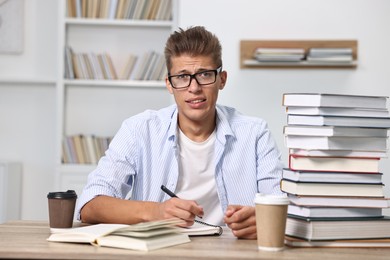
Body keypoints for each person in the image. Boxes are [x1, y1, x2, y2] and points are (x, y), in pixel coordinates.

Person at [76, 26, 284, 239]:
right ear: (169, 83)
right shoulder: (139, 130)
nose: (194, 88)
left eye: (204, 74)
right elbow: (89, 205)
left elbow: (285, 207)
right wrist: (155, 211)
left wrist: (265, 219)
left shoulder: (255, 133)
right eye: (183, 77)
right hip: (159, 251)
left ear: (222, 79)